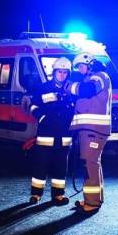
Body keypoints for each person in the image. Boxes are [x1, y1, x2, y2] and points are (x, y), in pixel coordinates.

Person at [28, 58, 76, 205]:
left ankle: (58, 195)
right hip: (46, 135)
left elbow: (76, 109)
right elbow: (33, 107)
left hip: (64, 136)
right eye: (59, 72)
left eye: (65, 72)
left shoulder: (71, 89)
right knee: (40, 166)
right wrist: (42, 118)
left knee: (61, 167)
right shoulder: (43, 88)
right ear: (54, 72)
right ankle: (36, 195)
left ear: (68, 74)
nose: (62, 75)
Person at [69, 53, 113, 213]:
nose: (80, 70)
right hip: (92, 130)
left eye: (81, 66)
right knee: (94, 163)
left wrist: (69, 86)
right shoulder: (94, 77)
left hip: (94, 130)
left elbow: (87, 90)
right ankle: (94, 198)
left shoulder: (99, 76)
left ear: (90, 64)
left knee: (90, 165)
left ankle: (92, 202)